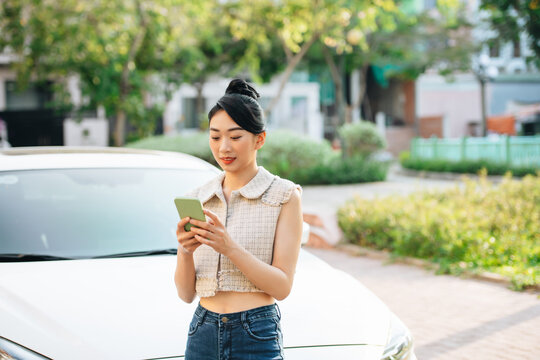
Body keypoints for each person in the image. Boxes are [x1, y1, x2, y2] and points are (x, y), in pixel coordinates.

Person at [174, 78, 303, 359]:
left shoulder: (284, 195)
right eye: (215, 136)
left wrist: (228, 247)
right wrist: (184, 250)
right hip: (202, 330)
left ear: (260, 139)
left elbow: (282, 287)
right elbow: (185, 294)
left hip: (255, 331)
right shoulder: (198, 197)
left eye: (235, 137)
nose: (223, 148)